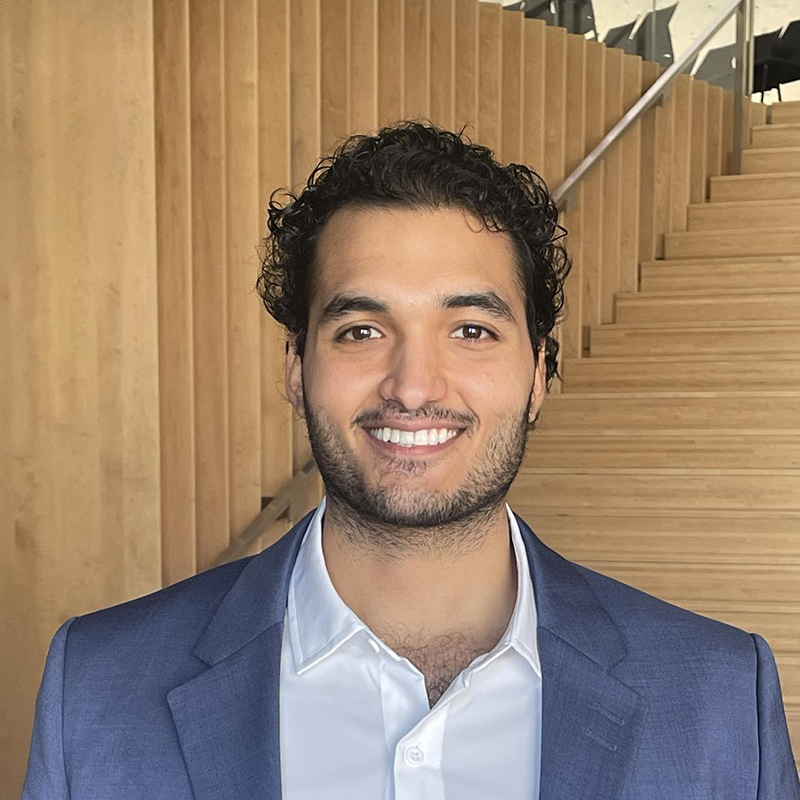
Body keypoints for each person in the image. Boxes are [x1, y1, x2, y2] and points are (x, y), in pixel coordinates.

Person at [23, 121, 799, 799]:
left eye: (471, 330)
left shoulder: (719, 698)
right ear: (297, 369)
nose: (414, 386)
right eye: (361, 331)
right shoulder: (96, 686)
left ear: (539, 374)